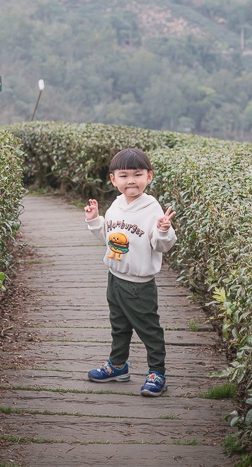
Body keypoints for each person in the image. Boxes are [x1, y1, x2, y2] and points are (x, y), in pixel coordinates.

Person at [83, 148, 177, 397]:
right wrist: (96, 221)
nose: (131, 180)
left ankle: (157, 372)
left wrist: (164, 229)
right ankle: (118, 366)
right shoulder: (116, 205)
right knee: (119, 326)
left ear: (149, 177)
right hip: (114, 277)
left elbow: (161, 244)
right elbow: (110, 237)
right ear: (113, 179)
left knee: (149, 329)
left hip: (139, 284)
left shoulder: (152, 208)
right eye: (124, 175)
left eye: (138, 174)